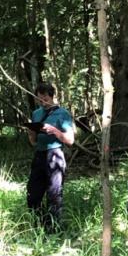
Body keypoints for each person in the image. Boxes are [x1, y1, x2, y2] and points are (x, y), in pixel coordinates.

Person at [26, 81, 75, 231]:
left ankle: (53, 229)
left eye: (45, 99)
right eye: (39, 99)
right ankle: (38, 226)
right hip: (39, 155)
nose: (42, 102)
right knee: (33, 193)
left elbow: (70, 140)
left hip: (55, 155)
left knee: (54, 194)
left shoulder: (63, 114)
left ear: (51, 96)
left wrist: (55, 131)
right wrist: (31, 133)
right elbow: (33, 142)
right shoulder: (36, 114)